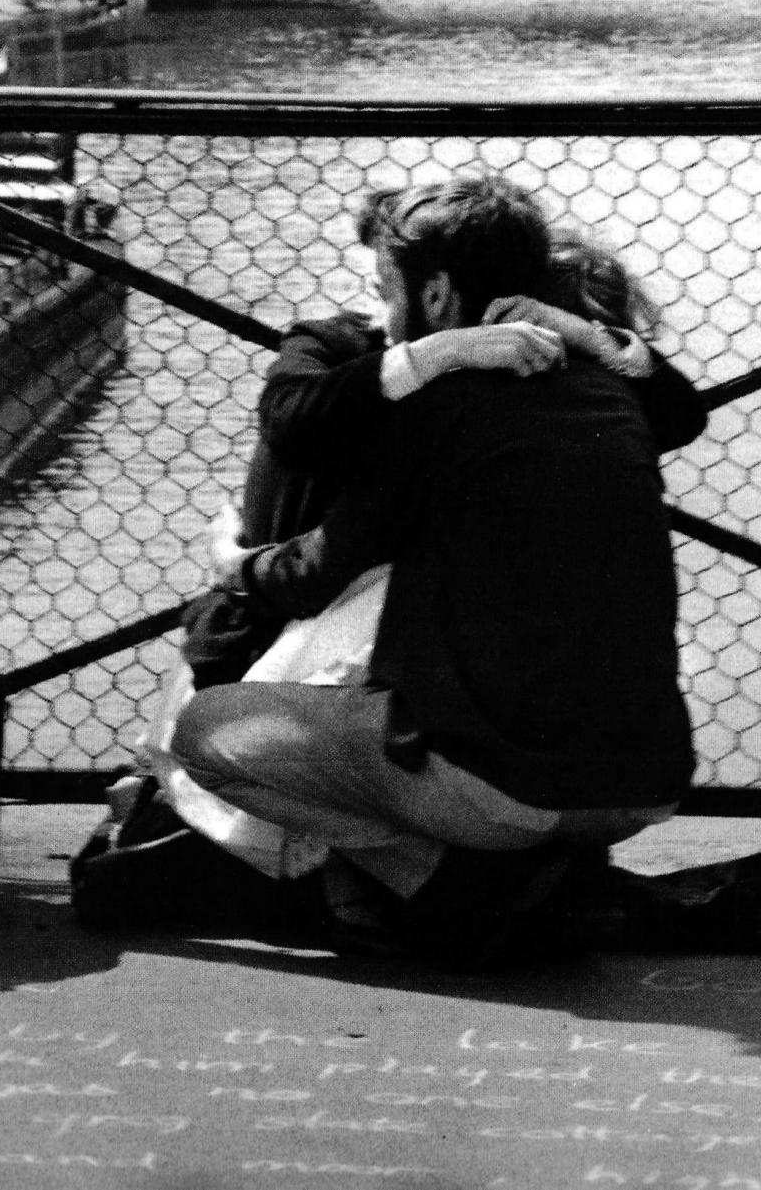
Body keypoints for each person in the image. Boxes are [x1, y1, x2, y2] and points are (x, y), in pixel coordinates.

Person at [167, 172, 696, 966]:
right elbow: (682, 408)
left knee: (204, 736)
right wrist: (592, 338)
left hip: (508, 797)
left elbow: (316, 570)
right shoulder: (616, 400)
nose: (382, 316)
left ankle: (439, 878)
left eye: (387, 290)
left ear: (438, 294)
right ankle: (512, 872)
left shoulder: (435, 411)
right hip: (648, 781)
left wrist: (235, 567)